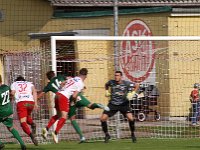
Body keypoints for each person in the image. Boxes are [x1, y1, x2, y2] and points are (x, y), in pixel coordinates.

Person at [40, 70, 109, 143]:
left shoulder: (72, 79)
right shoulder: (76, 82)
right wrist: (74, 98)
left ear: (78, 74)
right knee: (67, 116)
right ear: (86, 76)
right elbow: (74, 95)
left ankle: (47, 128)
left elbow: (64, 82)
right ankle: (55, 133)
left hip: (58, 95)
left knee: (62, 116)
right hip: (69, 98)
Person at [100, 71, 139, 143]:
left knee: (131, 118)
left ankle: (132, 134)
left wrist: (132, 93)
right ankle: (107, 135)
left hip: (124, 104)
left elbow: (137, 85)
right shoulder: (111, 82)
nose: (116, 77)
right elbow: (106, 84)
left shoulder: (126, 83)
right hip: (113, 104)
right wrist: (106, 91)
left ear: (121, 76)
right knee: (102, 119)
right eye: (115, 75)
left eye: (118, 75)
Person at [0, 75, 26, 150]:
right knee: (11, 128)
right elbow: (11, 95)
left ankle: (0, 144)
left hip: (1, 112)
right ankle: (22, 144)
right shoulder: (6, 87)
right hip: (9, 111)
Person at [11, 76, 38, 146]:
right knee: (26, 116)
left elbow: (12, 93)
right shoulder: (29, 83)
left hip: (22, 103)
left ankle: (31, 135)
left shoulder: (14, 84)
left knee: (23, 123)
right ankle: (32, 124)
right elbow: (34, 91)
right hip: (30, 103)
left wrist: (10, 97)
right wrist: (36, 103)